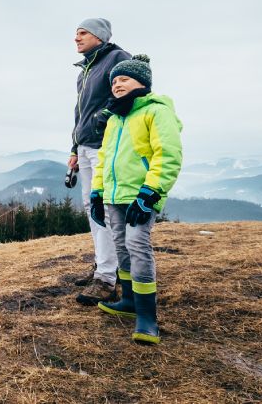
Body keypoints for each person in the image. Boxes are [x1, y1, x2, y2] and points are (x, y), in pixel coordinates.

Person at [89, 54, 183, 344]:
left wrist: (150, 193)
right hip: (114, 195)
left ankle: (146, 316)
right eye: (114, 81)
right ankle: (129, 301)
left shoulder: (156, 111)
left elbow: (168, 154)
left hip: (140, 195)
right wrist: (97, 191)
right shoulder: (116, 117)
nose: (117, 85)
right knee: (121, 246)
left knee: (137, 245)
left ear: (141, 82)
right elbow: (103, 159)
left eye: (124, 79)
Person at [68, 18, 131, 305]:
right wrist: (74, 148)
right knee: (92, 209)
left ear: (100, 36)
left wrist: (101, 120)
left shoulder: (117, 58)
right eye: (76, 33)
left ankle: (107, 278)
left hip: (105, 145)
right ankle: (104, 267)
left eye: (83, 33)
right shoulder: (85, 71)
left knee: (103, 209)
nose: (76, 38)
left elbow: (128, 92)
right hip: (85, 146)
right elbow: (79, 114)